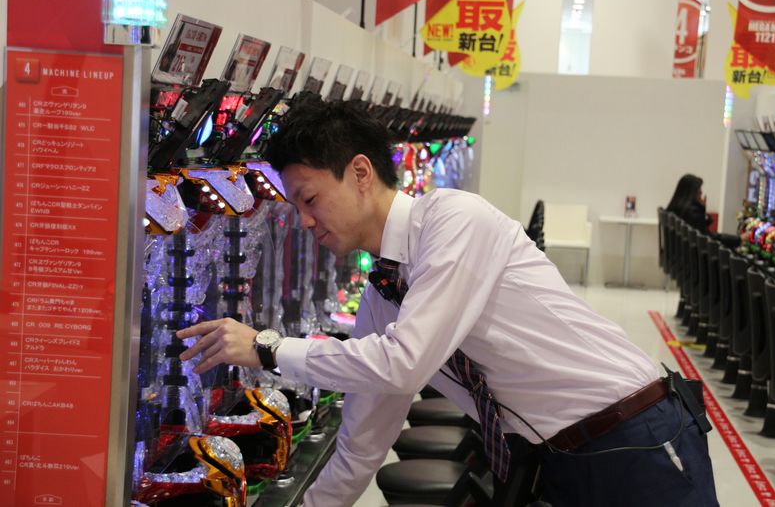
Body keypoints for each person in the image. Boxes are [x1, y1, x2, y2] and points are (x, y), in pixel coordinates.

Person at [177, 99, 719, 506]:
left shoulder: (454, 221)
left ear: (361, 173)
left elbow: (403, 362)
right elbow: (363, 443)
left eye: (310, 199)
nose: (304, 221)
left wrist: (268, 348)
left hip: (636, 436)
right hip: (562, 457)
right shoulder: (385, 292)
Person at [667, 173, 738, 248]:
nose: (701, 192)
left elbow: (700, 227)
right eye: (698, 188)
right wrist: (738, 239)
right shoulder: (693, 212)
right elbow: (709, 238)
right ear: (691, 192)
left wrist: (702, 208)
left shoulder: (677, 207)